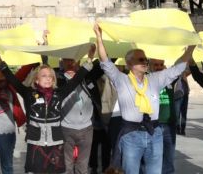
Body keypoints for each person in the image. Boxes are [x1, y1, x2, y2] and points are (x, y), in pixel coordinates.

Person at [92, 23, 195, 174]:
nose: (145, 62)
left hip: (155, 132)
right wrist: (99, 38)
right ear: (129, 63)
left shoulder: (154, 79)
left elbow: (177, 68)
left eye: (145, 59)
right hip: (131, 134)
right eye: (140, 59)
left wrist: (191, 47)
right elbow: (105, 62)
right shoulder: (121, 80)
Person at [0, 49, 89, 174]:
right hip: (36, 144)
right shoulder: (29, 94)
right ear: (36, 80)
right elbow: (13, 80)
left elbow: (76, 80)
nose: (48, 79)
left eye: (50, 77)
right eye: (44, 76)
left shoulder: (58, 94)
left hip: (55, 144)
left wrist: (90, 60)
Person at [58, 51, 104, 174]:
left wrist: (97, 49)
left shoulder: (88, 77)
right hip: (66, 128)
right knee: (66, 166)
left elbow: (105, 62)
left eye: (73, 59)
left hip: (87, 128)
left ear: (79, 61)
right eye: (67, 59)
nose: (70, 62)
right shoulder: (57, 80)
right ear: (61, 61)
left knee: (83, 167)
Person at [149, 58, 178, 174]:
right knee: (153, 159)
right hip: (154, 125)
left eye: (161, 64)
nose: (159, 67)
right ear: (150, 66)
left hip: (170, 126)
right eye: (156, 65)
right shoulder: (147, 80)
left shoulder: (169, 80)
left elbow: (179, 68)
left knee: (169, 159)